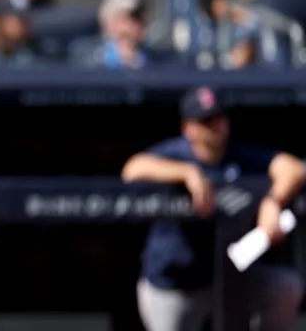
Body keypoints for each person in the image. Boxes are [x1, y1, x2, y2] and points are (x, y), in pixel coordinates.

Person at [121, 86, 306, 331]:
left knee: (285, 286)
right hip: (175, 285)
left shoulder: (238, 154)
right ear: (188, 129)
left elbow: (293, 168)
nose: (217, 125)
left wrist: (273, 201)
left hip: (231, 276)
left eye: (219, 117)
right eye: (207, 120)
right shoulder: (176, 153)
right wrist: (187, 173)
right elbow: (132, 170)